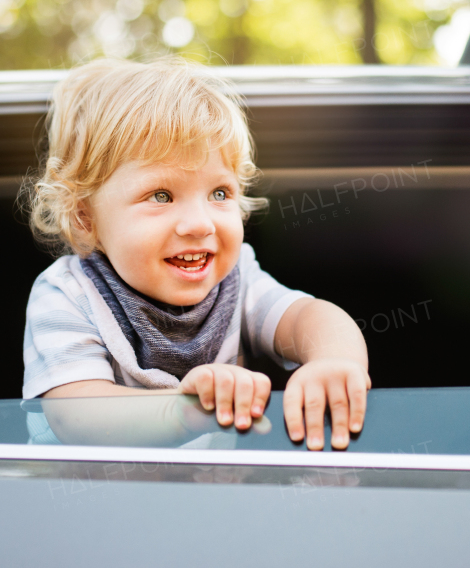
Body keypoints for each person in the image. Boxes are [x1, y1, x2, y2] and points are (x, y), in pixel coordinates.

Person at [23, 58, 369, 450]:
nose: (199, 224)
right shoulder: (69, 294)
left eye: (219, 194)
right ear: (85, 217)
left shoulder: (236, 279)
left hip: (201, 497)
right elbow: (77, 416)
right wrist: (183, 411)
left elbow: (310, 317)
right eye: (161, 195)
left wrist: (335, 360)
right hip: (87, 501)